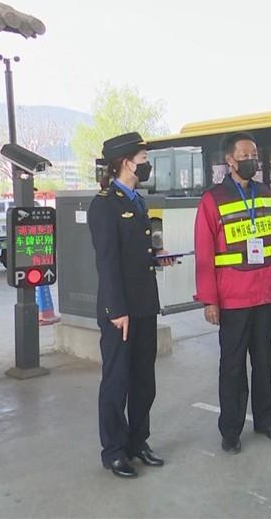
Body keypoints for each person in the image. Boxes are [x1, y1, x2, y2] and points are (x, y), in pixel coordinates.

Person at [194, 131, 271, 454]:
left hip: (265, 292)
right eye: (245, 155)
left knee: (264, 361)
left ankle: (265, 420)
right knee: (233, 366)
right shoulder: (212, 200)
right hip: (232, 297)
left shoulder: (266, 195)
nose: (251, 160)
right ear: (229, 160)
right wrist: (209, 299)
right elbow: (204, 254)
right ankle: (231, 429)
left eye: (254, 155)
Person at [87, 132, 175, 478]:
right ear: (126, 163)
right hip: (120, 311)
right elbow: (107, 262)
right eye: (143, 160)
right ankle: (113, 451)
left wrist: (158, 255)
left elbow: (137, 251)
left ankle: (138, 442)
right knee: (117, 381)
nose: (147, 165)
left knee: (143, 380)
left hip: (144, 305)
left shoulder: (138, 201)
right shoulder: (104, 204)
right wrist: (117, 310)